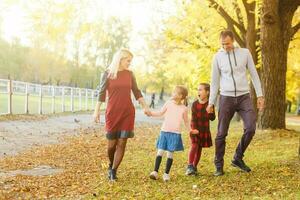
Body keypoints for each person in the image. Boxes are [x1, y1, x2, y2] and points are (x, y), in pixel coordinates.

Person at [207, 30, 264, 176]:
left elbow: (254, 74)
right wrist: (211, 103)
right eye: (222, 44)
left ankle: (238, 157)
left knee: (251, 128)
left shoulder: (244, 53)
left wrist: (260, 95)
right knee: (221, 133)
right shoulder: (217, 57)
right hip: (226, 97)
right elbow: (214, 82)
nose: (225, 46)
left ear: (233, 41)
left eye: (227, 43)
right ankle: (218, 165)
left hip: (244, 96)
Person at [93, 49, 150, 181]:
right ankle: (110, 165)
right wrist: (96, 111)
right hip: (112, 112)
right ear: (120, 59)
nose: (130, 63)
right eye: (128, 60)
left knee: (122, 141)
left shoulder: (130, 74)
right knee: (111, 145)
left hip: (127, 113)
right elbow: (101, 93)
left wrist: (145, 107)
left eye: (131, 61)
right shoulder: (107, 74)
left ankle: (113, 171)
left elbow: (136, 92)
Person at [147, 85, 198, 182]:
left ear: (181, 96)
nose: (173, 94)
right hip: (164, 131)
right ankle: (155, 172)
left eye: (175, 92)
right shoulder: (168, 103)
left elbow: (186, 122)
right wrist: (151, 113)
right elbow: (160, 113)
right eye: (173, 92)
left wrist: (190, 130)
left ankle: (166, 174)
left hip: (175, 133)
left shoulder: (184, 108)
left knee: (170, 154)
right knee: (160, 152)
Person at [186, 83, 215, 176]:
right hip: (195, 129)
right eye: (198, 90)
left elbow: (212, 118)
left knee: (199, 149)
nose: (198, 91)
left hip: (204, 130)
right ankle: (190, 166)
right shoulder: (195, 104)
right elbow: (193, 118)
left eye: (201, 90)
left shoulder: (210, 104)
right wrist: (193, 129)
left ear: (207, 92)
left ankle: (194, 167)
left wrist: (210, 112)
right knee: (194, 145)